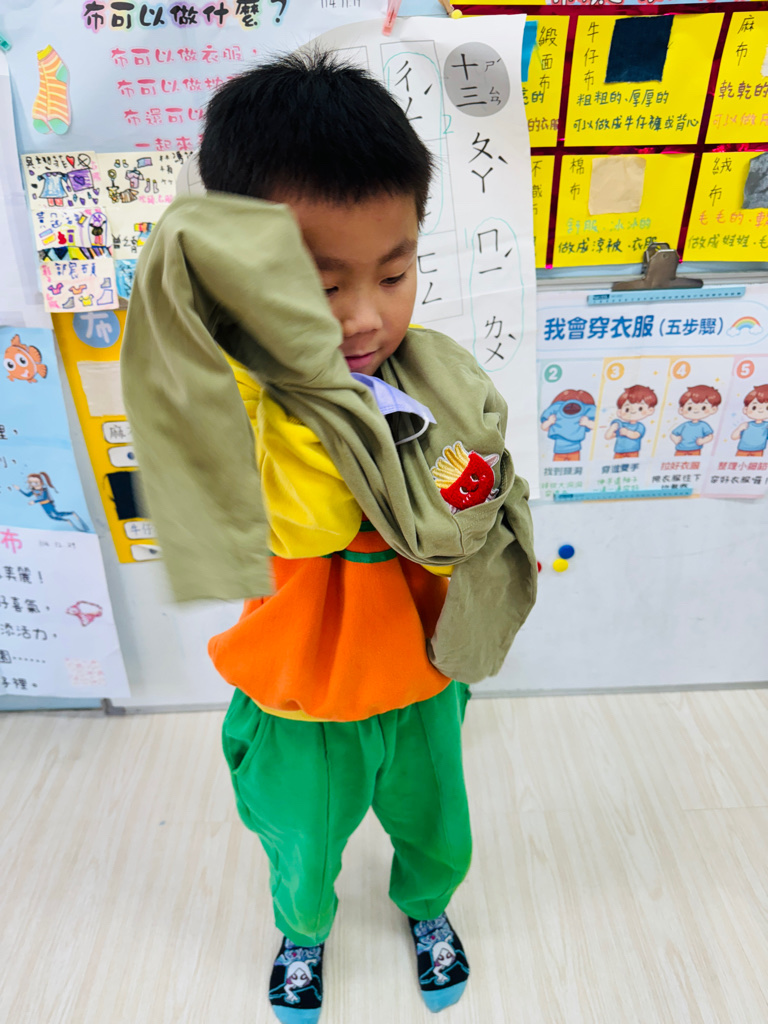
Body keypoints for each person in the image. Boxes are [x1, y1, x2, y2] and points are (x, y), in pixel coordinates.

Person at [123, 50, 535, 1024]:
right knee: (301, 839)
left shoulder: (433, 372)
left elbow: (475, 490)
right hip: (302, 682)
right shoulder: (231, 401)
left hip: (423, 671)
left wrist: (471, 492)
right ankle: (302, 930)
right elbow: (302, 523)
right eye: (319, 288)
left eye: (395, 272)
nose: (365, 317)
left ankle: (427, 908)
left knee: (437, 825)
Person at [540, 388, 596, 461]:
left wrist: (587, 422)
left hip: (575, 450)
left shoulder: (585, 412)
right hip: (559, 450)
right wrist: (549, 421)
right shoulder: (556, 409)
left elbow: (597, 427)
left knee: (574, 465)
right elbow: (543, 427)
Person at [604, 384, 657, 459]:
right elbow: (608, 437)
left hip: (633, 452)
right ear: (619, 412)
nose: (633, 411)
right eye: (627, 409)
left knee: (633, 464)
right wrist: (611, 429)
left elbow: (636, 435)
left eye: (640, 408)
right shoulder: (621, 424)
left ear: (650, 410)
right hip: (619, 452)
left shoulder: (639, 426)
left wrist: (627, 432)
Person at [670, 384, 721, 456]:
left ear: (713, 409)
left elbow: (710, 436)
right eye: (689, 408)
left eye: (703, 408)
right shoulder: (685, 425)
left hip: (695, 450)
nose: (696, 410)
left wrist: (703, 440)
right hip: (680, 449)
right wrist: (676, 440)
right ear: (681, 410)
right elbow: (673, 434)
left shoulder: (703, 425)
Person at [731, 383, 768, 456]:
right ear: (745, 409)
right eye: (754, 407)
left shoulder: (766, 426)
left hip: (758, 451)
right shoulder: (746, 425)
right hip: (742, 450)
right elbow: (734, 437)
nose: (760, 410)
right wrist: (739, 429)